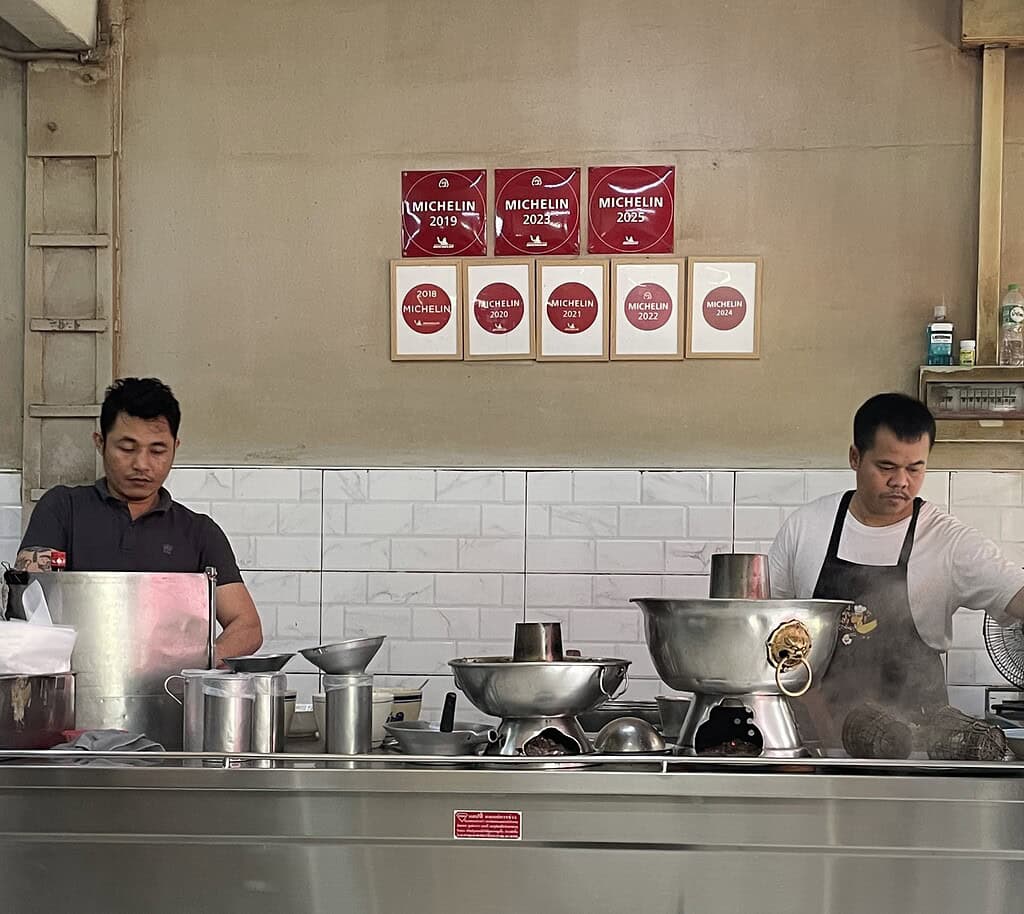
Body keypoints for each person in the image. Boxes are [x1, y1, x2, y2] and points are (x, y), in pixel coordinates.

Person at [768, 392, 1024, 747]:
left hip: (916, 752)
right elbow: (771, 637)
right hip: (817, 746)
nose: (901, 481)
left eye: (915, 468)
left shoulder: (947, 541)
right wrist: (817, 729)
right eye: (887, 467)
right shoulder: (805, 529)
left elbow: (1016, 594)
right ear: (855, 457)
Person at [15, 377, 263, 664]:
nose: (142, 464)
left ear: (175, 447)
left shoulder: (198, 532)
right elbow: (26, 604)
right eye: (127, 448)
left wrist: (200, 665)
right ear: (100, 442)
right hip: (72, 697)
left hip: (172, 700)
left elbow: (247, 626)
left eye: (157, 451)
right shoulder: (61, 509)